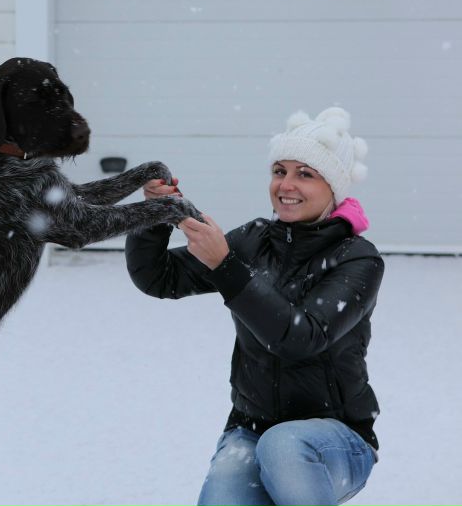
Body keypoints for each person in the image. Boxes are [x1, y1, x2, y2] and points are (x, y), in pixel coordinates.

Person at [126, 107, 384, 506]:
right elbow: (158, 278)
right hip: (251, 428)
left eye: (305, 173)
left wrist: (225, 266)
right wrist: (156, 215)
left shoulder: (358, 259)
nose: (286, 184)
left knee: (283, 445)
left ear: (334, 187)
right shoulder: (253, 241)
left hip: (339, 438)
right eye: (279, 170)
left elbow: (301, 337)